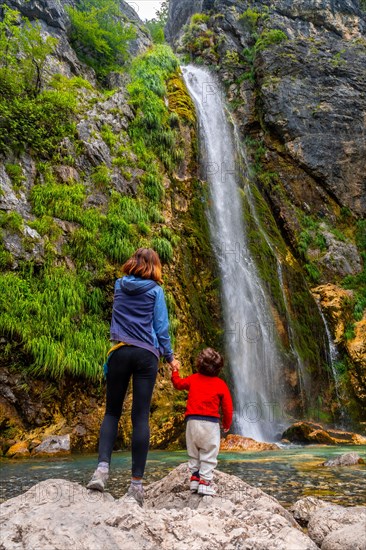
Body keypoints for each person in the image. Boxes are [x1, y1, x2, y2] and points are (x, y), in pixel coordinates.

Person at [87, 248, 179, 506]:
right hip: (146, 355)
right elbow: (161, 328)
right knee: (139, 416)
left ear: (133, 263)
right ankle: (136, 486)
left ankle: (102, 471)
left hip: (119, 351)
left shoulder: (119, 285)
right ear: (155, 267)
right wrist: (170, 358)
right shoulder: (155, 291)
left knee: (112, 413)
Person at [171, 347, 233, 495]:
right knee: (209, 452)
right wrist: (226, 424)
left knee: (194, 453)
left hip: (191, 422)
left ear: (198, 364)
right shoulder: (220, 384)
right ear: (218, 368)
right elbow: (228, 408)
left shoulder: (193, 379)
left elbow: (178, 384)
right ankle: (205, 482)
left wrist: (174, 371)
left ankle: (194, 480)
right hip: (210, 424)